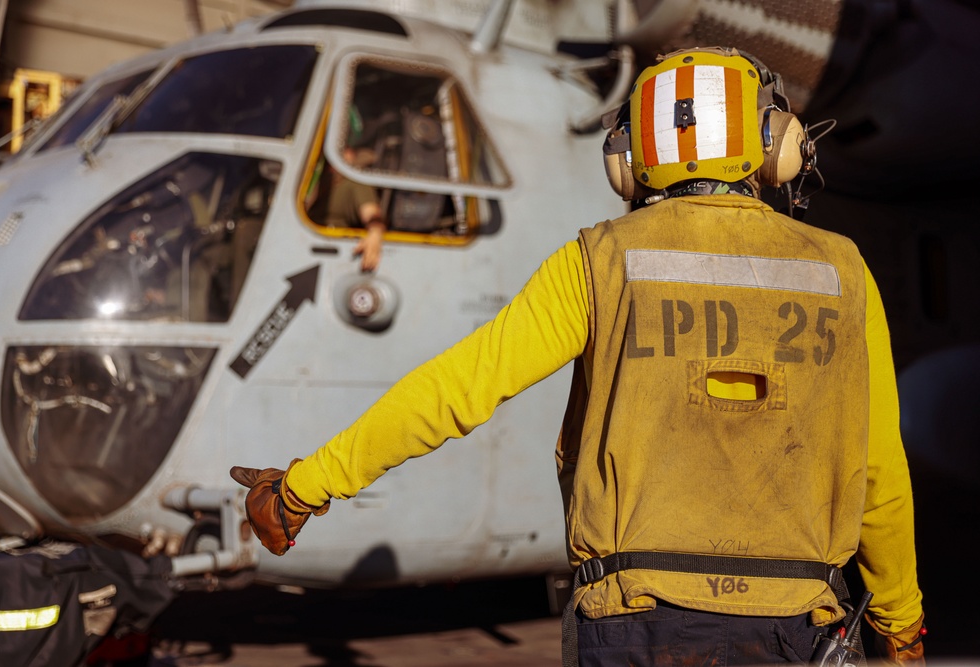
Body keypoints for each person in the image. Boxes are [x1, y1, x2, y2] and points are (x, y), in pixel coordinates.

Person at [231, 47, 924, 665]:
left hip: (634, 626)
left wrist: (303, 488)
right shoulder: (843, 272)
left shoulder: (599, 260)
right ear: (776, 144)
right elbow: (879, 472)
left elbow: (458, 387)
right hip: (797, 631)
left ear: (628, 160)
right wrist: (901, 625)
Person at [305, 146, 387, 272]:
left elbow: (372, 213)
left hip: (331, 247)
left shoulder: (356, 182)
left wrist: (375, 234)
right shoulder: (317, 179)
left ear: (351, 154)